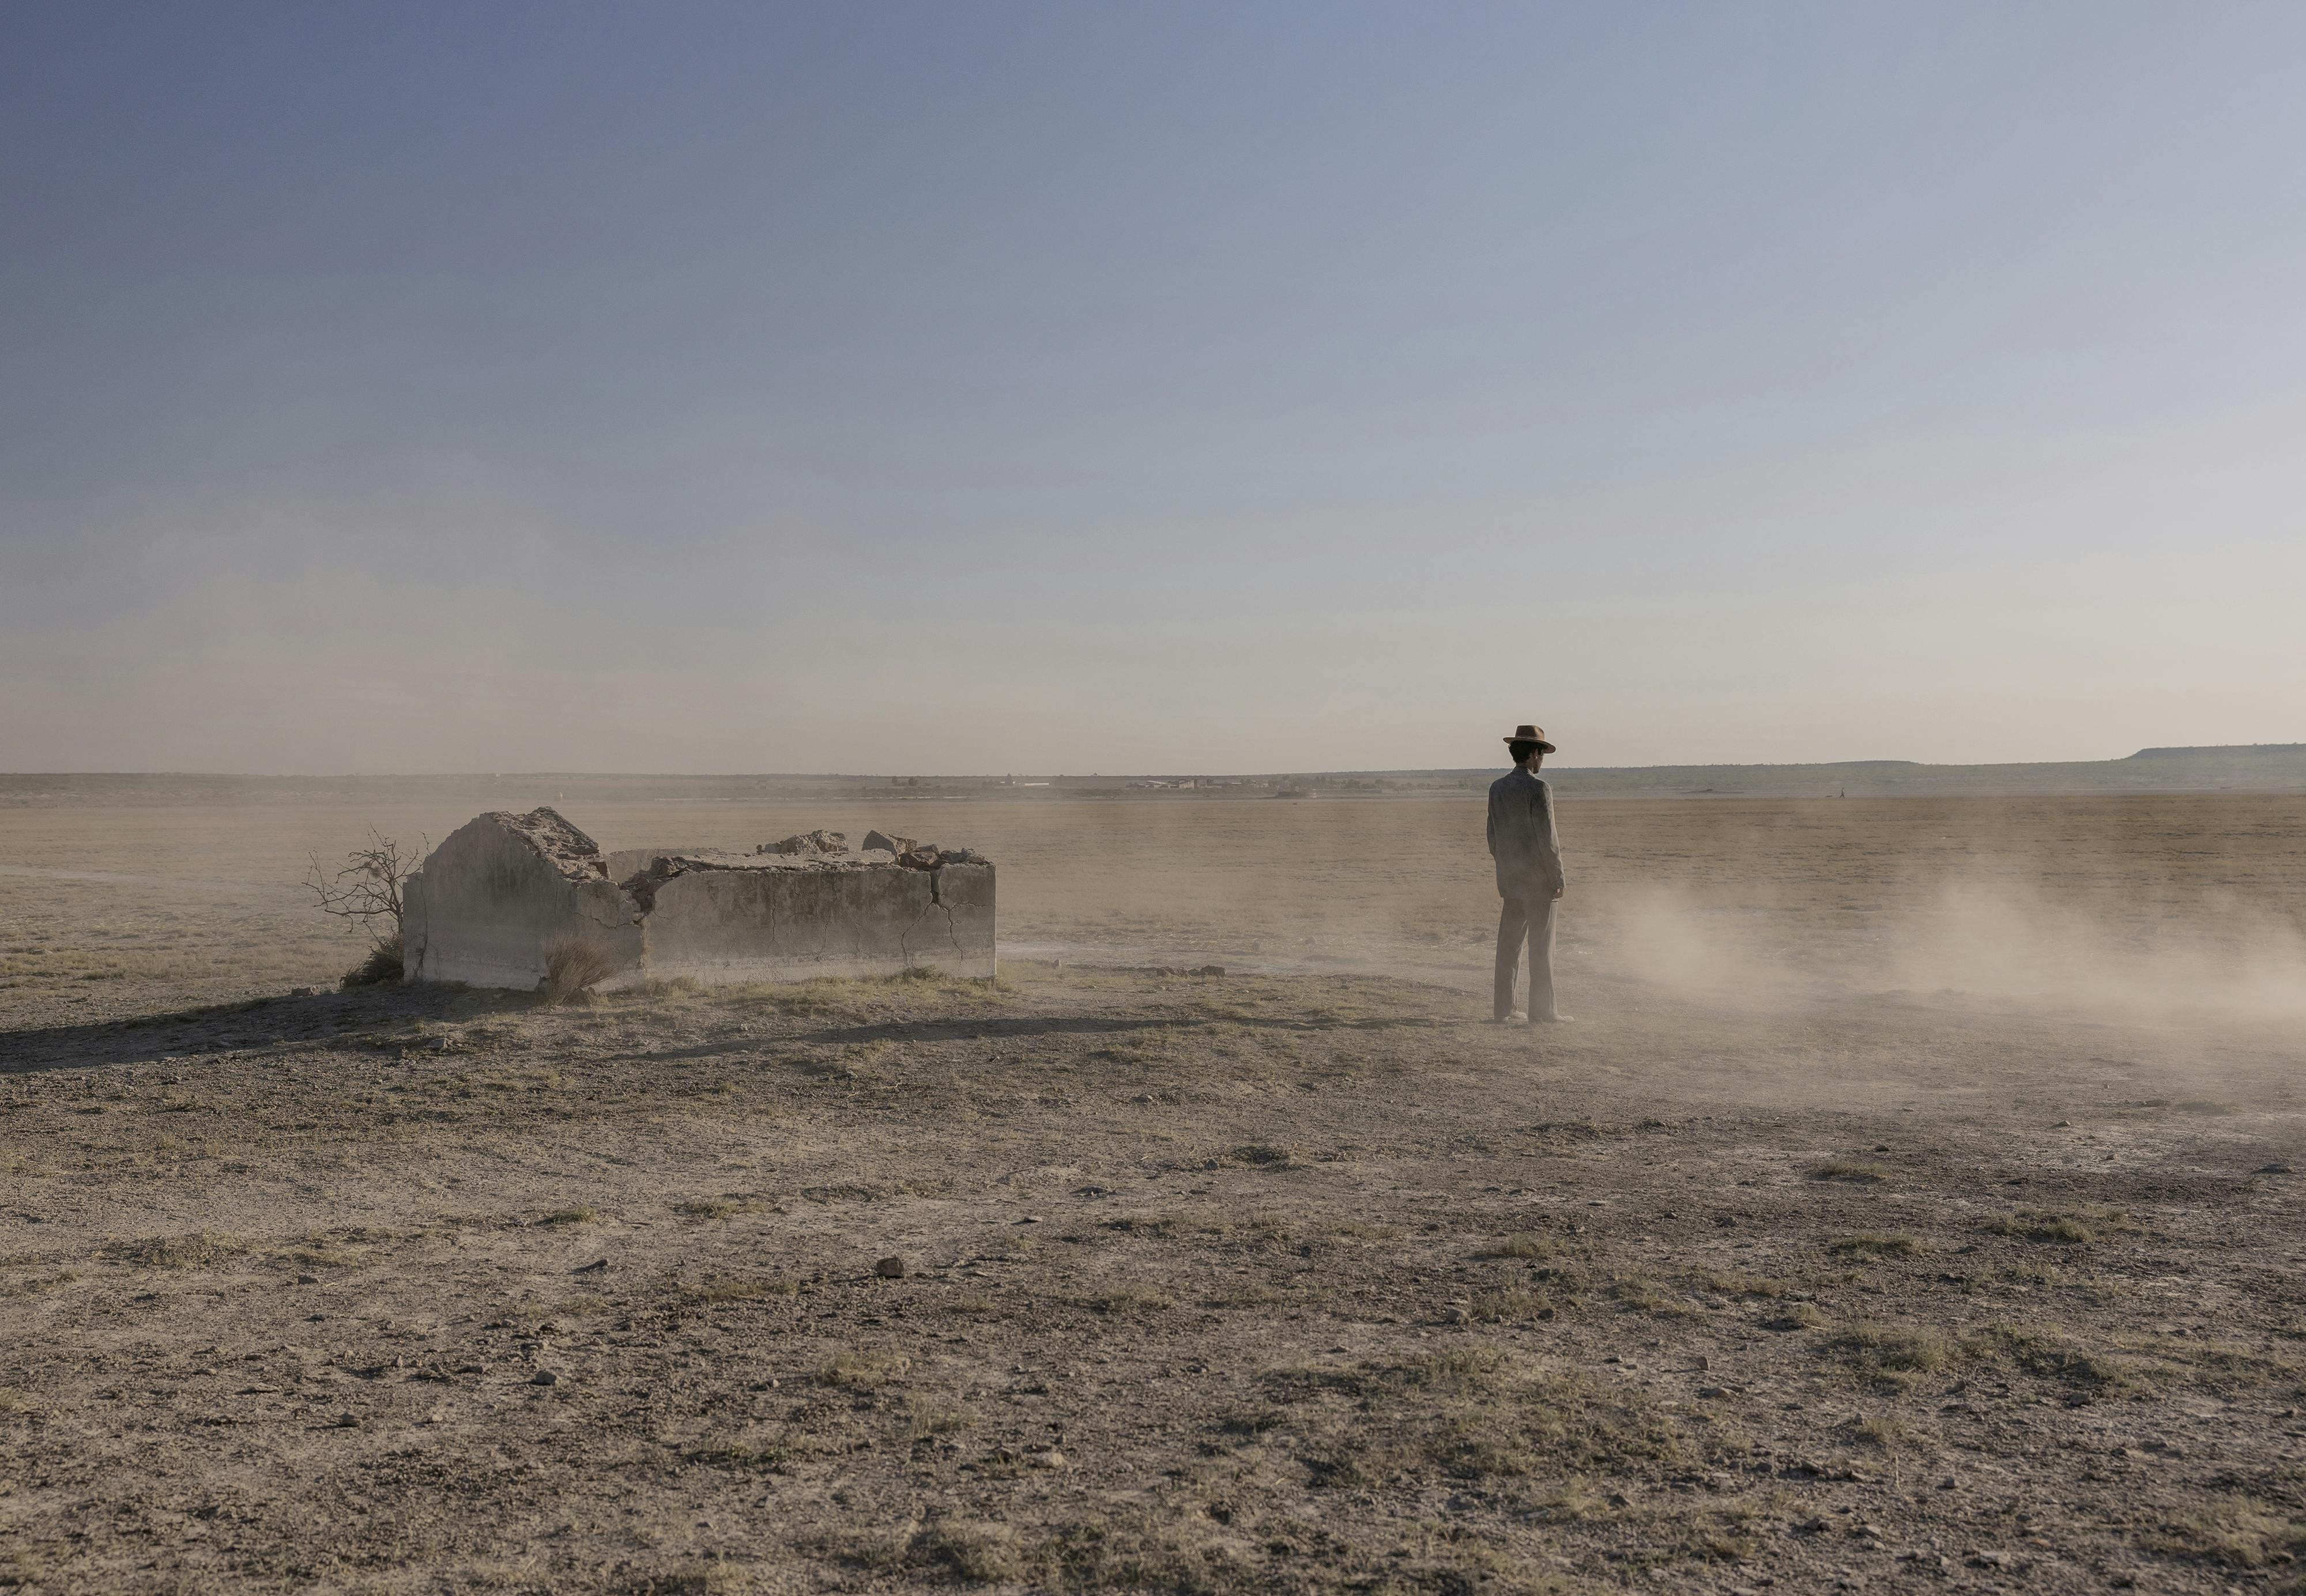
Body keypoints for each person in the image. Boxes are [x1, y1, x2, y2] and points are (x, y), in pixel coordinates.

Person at [1487, 723, 1568, 1024]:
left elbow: (1492, 837)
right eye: (1541, 753)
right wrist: (1557, 877)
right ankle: (1543, 1011)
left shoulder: (1497, 787)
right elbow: (1548, 840)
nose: (1542, 760)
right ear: (1533, 754)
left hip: (1511, 881)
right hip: (1538, 882)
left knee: (1508, 947)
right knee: (1541, 947)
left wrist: (1508, 865)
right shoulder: (1539, 788)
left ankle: (1504, 1010)